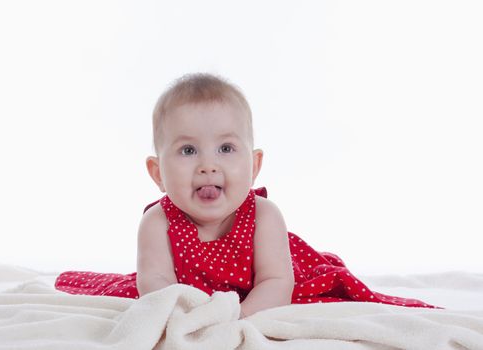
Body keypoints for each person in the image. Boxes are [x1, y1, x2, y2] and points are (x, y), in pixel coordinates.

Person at [55, 73, 436, 318]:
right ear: (157, 173)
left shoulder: (265, 216)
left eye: (226, 149)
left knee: (332, 292)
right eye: (188, 151)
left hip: (269, 286)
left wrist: (238, 320)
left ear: (254, 166)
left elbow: (276, 283)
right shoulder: (157, 222)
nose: (208, 165)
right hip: (197, 301)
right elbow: (155, 284)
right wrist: (193, 316)